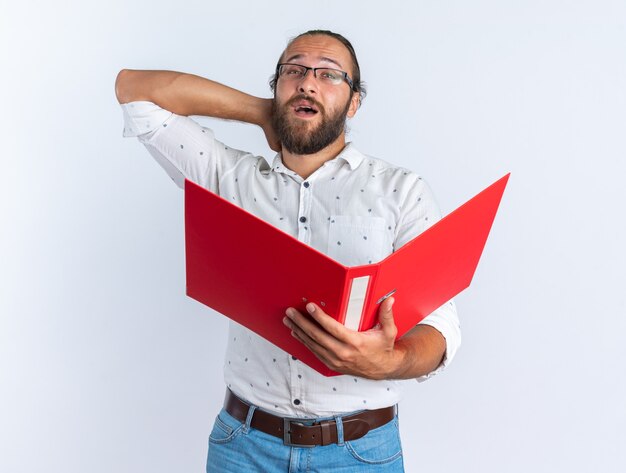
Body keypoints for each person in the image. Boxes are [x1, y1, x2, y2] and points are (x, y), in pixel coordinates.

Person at [115, 29, 461, 472]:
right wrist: (264, 115)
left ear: (355, 103)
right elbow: (133, 89)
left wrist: (388, 361)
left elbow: (441, 326)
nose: (307, 83)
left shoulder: (401, 191)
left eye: (328, 75)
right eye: (293, 72)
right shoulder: (228, 178)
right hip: (242, 447)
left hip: (361, 454)